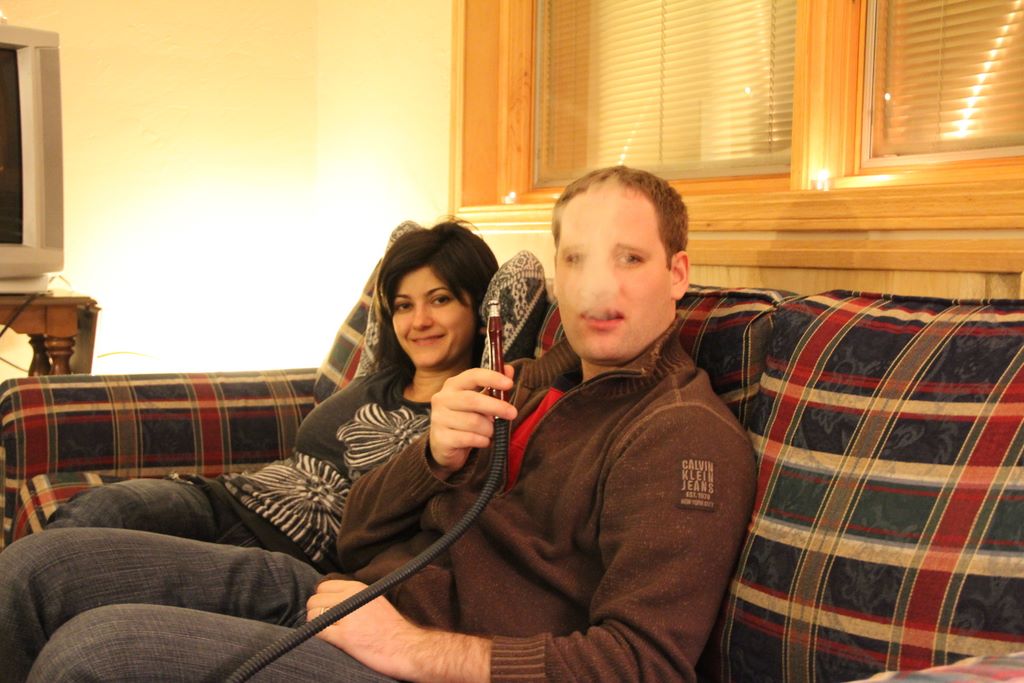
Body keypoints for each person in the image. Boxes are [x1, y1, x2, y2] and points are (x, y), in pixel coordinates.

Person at [0, 166, 755, 682]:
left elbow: (644, 664)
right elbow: (356, 534)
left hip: (411, 659)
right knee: (36, 570)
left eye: (630, 259)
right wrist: (430, 456)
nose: (598, 287)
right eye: (578, 259)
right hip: (345, 593)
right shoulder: (523, 382)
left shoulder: (679, 434)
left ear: (677, 274)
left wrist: (413, 648)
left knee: (94, 654)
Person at [45, 219, 499, 572]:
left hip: (281, 548)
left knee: (87, 567)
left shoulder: (466, 418)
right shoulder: (378, 378)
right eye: (404, 305)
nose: (419, 321)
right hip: (227, 498)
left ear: (479, 310)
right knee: (98, 509)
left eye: (440, 300)